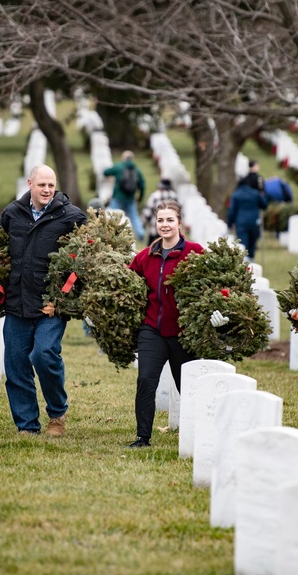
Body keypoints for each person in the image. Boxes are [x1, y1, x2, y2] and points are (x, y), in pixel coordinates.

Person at [0, 165, 87, 436]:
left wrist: (64, 296)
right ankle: (27, 425)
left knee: (44, 354)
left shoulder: (71, 216)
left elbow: (85, 259)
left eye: (51, 185)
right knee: (16, 364)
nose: (47, 190)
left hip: (52, 305)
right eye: (41, 185)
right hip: (16, 302)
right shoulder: (12, 213)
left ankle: (57, 412)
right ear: (30, 184)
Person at [127, 200, 203, 448]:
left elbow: (212, 285)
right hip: (152, 330)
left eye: (170, 220)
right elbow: (126, 284)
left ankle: (198, 434)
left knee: (188, 386)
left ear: (180, 223)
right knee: (146, 379)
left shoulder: (194, 252)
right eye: (160, 220)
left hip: (183, 333)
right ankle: (143, 437)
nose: (165, 225)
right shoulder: (145, 256)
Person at [103, 150, 146, 240]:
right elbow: (142, 186)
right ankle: (141, 234)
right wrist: (140, 197)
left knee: (113, 215)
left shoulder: (119, 167)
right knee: (134, 216)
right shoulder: (137, 170)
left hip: (118, 197)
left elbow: (106, 172)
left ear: (123, 158)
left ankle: (110, 232)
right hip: (130, 198)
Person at [226, 172, 268, 260]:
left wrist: (229, 224)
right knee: (252, 246)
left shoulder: (236, 194)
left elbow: (231, 211)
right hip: (254, 222)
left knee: (242, 246)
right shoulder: (255, 193)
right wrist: (262, 191)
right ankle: (251, 262)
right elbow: (264, 205)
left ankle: (245, 265)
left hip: (241, 223)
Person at [140, 177, 179, 245]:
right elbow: (180, 211)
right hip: (172, 230)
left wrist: (143, 223)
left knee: (151, 251)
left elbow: (147, 212)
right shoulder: (175, 196)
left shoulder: (155, 196)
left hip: (155, 229)